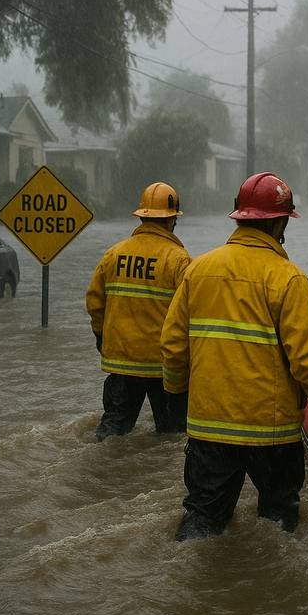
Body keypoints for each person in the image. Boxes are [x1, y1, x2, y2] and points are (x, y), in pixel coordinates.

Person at [161, 172, 308, 541]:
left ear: (239, 216)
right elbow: (307, 360)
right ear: (279, 222)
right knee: (277, 524)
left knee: (202, 518)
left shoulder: (198, 270)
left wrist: (178, 393)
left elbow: (174, 344)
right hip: (270, 433)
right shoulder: (289, 280)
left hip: (209, 427)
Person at [86, 181, 191, 441]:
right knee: (171, 437)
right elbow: (189, 314)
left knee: (111, 434)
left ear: (142, 216)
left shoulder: (113, 255)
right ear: (172, 220)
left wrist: (102, 338)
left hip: (121, 362)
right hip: (163, 367)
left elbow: (95, 302)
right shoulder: (179, 260)